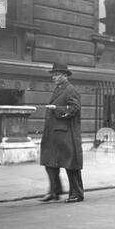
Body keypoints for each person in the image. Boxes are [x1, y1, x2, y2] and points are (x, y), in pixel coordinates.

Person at [39, 62, 84, 203]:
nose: (53, 77)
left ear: (65, 76)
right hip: (53, 135)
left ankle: (77, 194)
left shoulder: (70, 90)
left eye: (56, 74)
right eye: (53, 74)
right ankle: (54, 191)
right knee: (49, 163)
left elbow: (74, 108)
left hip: (66, 135)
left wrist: (56, 109)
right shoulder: (59, 89)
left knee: (71, 165)